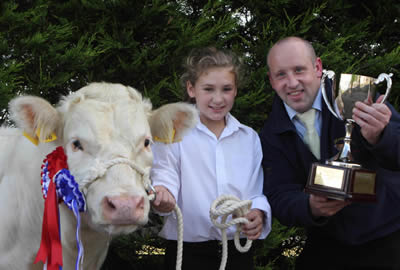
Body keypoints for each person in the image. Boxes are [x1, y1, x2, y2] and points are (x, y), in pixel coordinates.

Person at [260, 36, 400, 269]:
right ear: (271, 80)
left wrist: (382, 136)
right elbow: (279, 194)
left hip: (389, 236)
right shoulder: (271, 135)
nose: (292, 82)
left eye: (299, 70)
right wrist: (310, 207)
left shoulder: (355, 96)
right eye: (281, 74)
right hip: (328, 242)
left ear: (317, 68)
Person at [150, 47, 272, 270]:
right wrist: (163, 193)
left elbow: (254, 191)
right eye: (208, 89)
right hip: (187, 253)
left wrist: (257, 212)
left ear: (235, 90)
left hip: (237, 251)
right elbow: (164, 175)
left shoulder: (249, 137)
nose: (218, 98)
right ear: (191, 89)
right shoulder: (173, 133)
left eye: (226, 89)